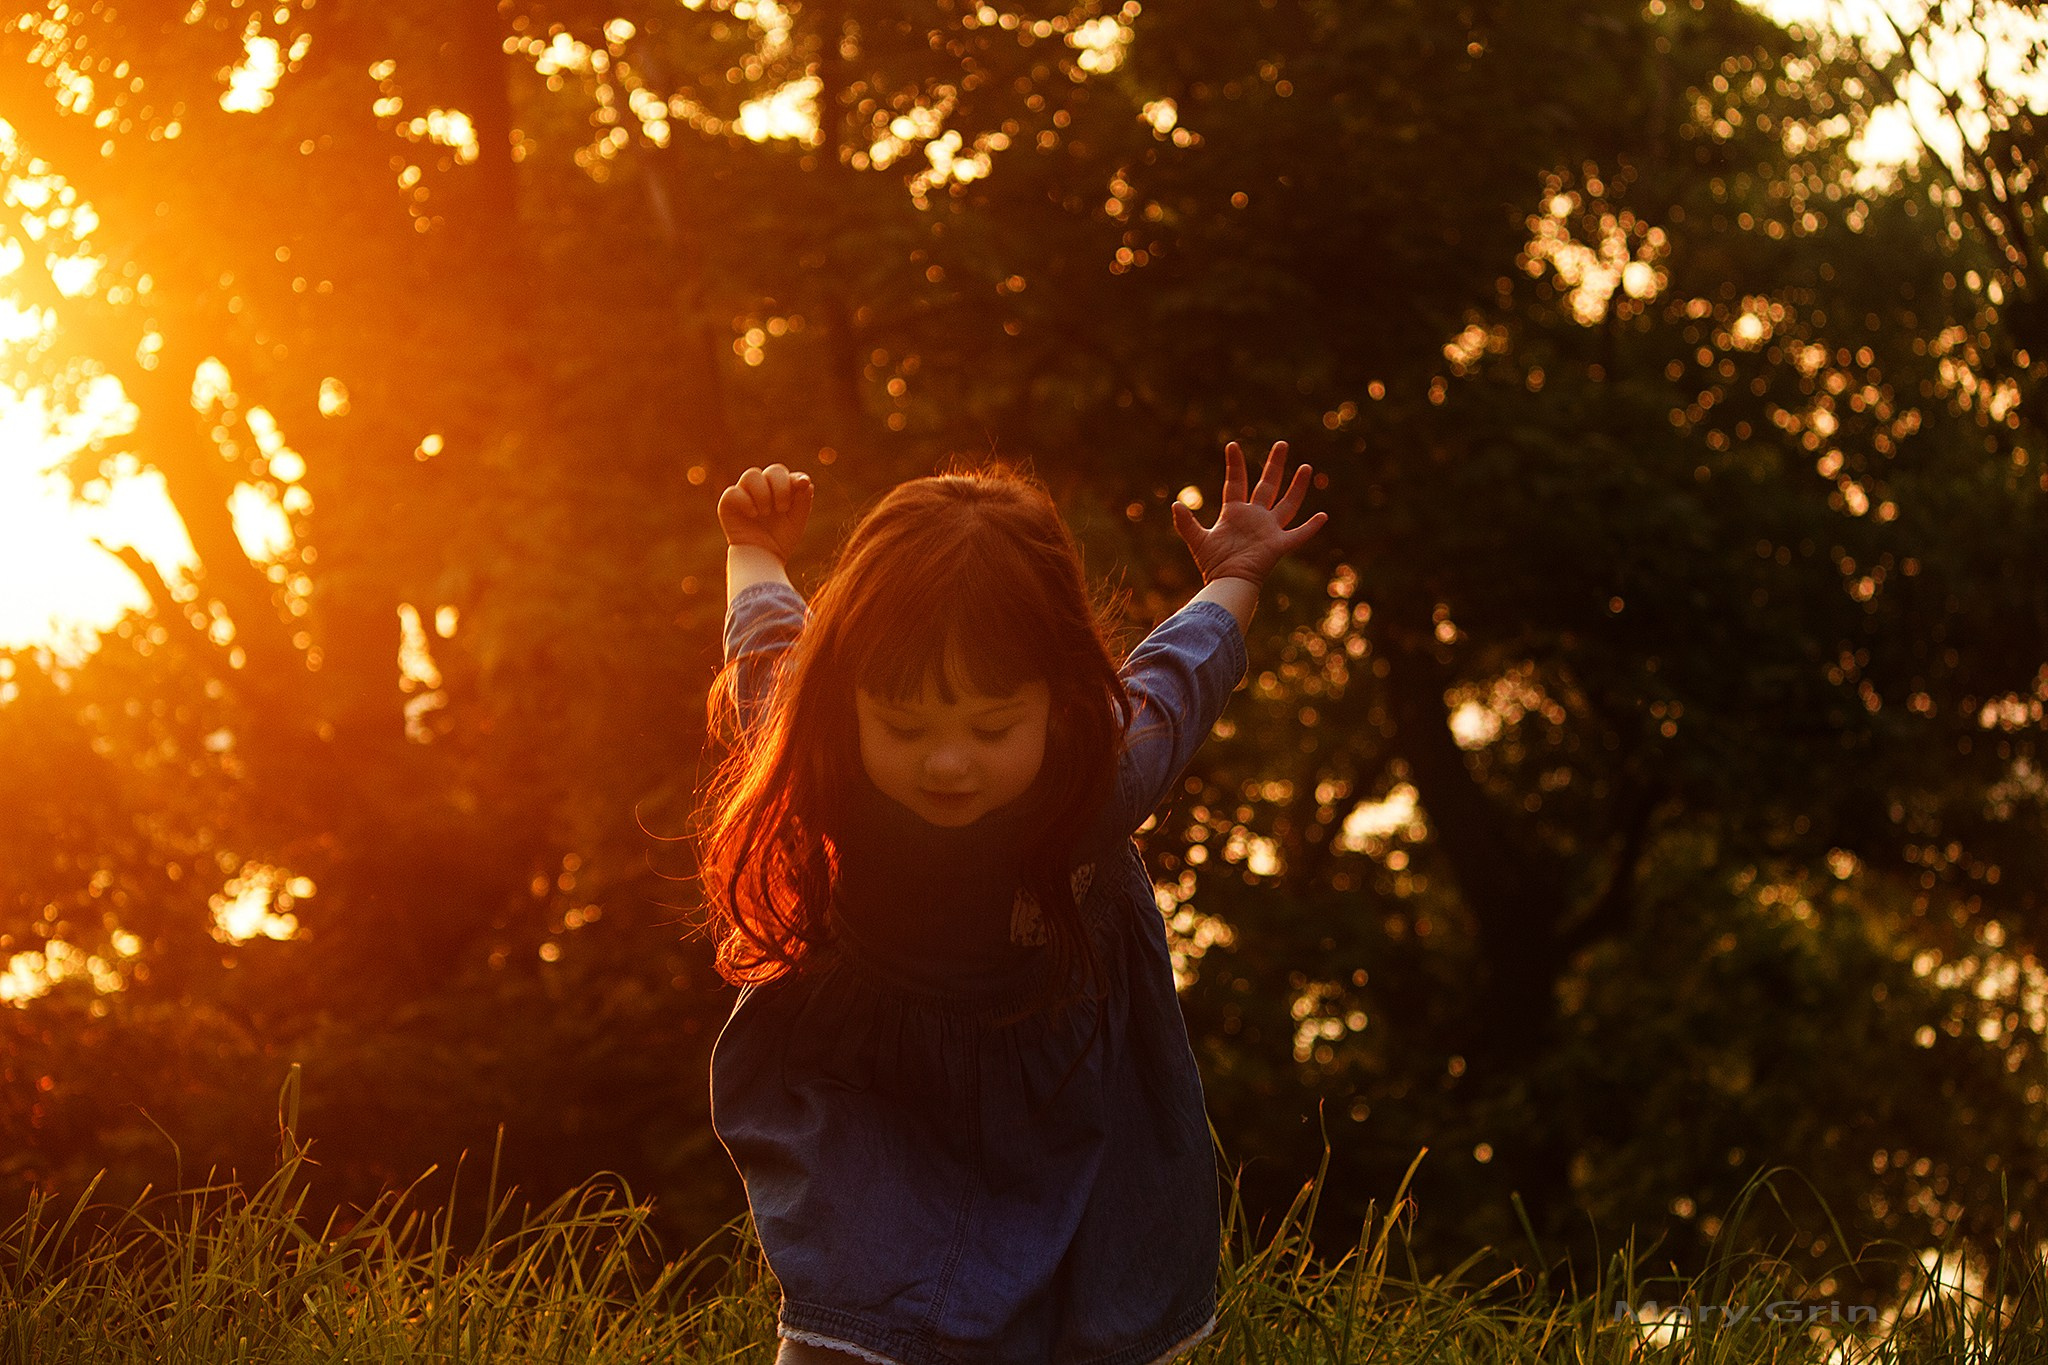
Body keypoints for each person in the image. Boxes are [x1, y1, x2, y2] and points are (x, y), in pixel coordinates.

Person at [693, 443, 1330, 1365]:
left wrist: (1233, 577)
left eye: (992, 727)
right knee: (848, 1312)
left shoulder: (1096, 777)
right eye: (906, 726)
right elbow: (765, 640)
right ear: (852, 701)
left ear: (1060, 699)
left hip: (1063, 1088)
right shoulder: (819, 746)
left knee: (1094, 1315)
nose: (947, 762)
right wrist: (752, 545)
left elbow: (1177, 680)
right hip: (876, 1088)